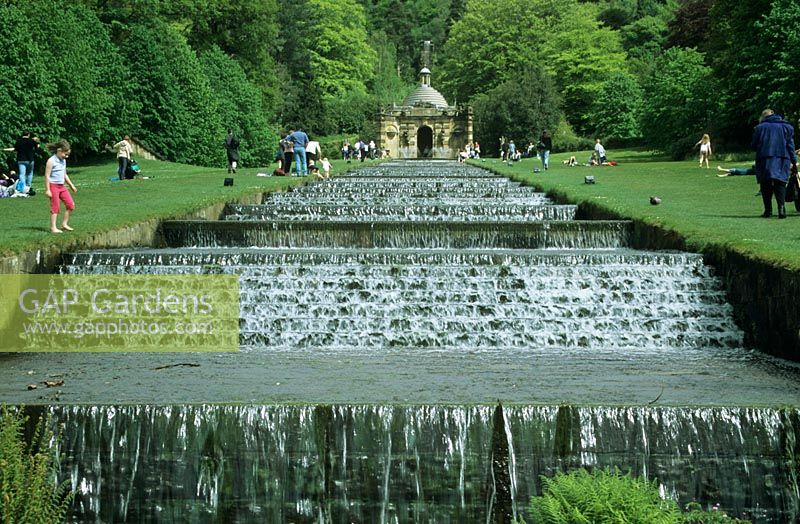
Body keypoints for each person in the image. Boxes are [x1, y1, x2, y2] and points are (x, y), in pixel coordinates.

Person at [751, 108, 797, 218]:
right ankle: (781, 209)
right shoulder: (787, 127)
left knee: (765, 183)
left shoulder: (760, 128)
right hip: (783, 157)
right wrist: (794, 161)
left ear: (763, 117)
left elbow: (753, 145)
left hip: (765, 158)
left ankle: (768, 210)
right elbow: (790, 145)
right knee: (780, 182)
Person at [44, 139, 77, 234]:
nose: (66, 156)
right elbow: (47, 175)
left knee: (71, 205)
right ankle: (53, 228)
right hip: (53, 186)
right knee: (55, 207)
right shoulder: (51, 161)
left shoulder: (63, 161)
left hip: (62, 186)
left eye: (67, 155)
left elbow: (64, 174)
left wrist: (71, 185)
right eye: (65, 154)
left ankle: (64, 224)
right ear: (59, 150)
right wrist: (47, 190)